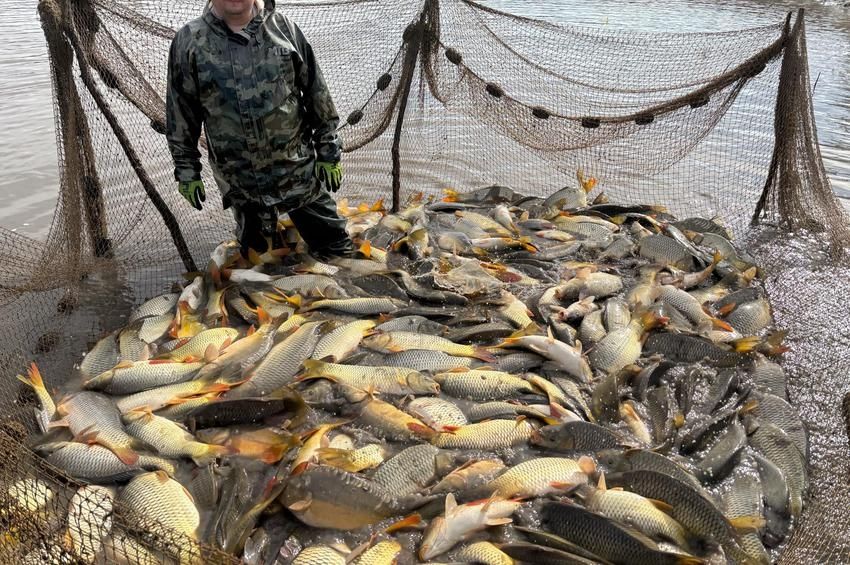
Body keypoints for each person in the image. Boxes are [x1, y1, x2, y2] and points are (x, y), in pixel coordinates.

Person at [166, 0, 354, 261]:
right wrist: (186, 170)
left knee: (339, 252)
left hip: (298, 174)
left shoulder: (284, 29)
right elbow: (181, 114)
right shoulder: (189, 41)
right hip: (242, 185)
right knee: (256, 266)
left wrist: (329, 151)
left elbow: (316, 93)